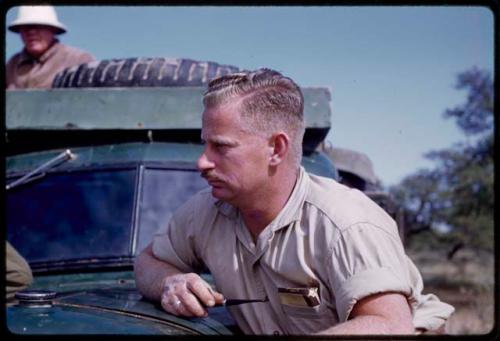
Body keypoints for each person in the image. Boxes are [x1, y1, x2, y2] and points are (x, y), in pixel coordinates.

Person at [134, 68, 454, 335]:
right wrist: (170, 283)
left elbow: (389, 325)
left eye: (221, 147)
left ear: (276, 148)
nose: (202, 163)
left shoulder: (346, 224)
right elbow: (148, 261)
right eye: (206, 145)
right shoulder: (206, 212)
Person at [6, 5, 94, 89]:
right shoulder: (11, 66)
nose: (31, 32)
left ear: (53, 30)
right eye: (26, 27)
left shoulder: (78, 60)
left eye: (38, 26)